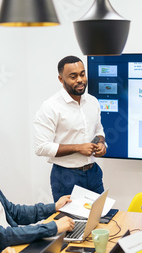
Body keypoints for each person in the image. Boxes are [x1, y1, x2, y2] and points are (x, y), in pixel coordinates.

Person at [34, 55, 107, 202]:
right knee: (70, 223)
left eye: (82, 74)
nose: (80, 80)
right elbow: (41, 148)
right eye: (73, 76)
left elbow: (99, 132)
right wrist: (78, 148)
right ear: (61, 79)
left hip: (93, 172)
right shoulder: (50, 107)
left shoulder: (92, 102)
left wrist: (101, 144)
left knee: (100, 219)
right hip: (65, 177)